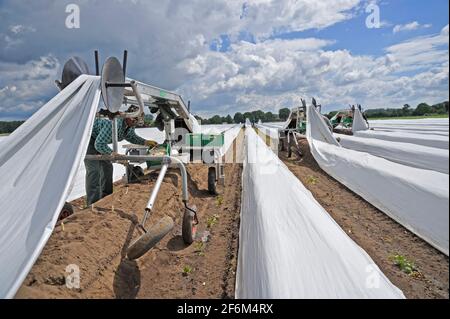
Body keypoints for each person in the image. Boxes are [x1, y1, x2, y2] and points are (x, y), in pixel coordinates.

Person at [85, 105, 157, 206]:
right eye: (135, 121)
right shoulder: (114, 123)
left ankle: (106, 198)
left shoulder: (129, 125)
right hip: (89, 139)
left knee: (107, 167)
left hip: (99, 141)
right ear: (129, 117)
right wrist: (113, 155)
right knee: (94, 170)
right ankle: (92, 203)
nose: (135, 124)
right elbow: (99, 144)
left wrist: (145, 142)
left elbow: (131, 136)